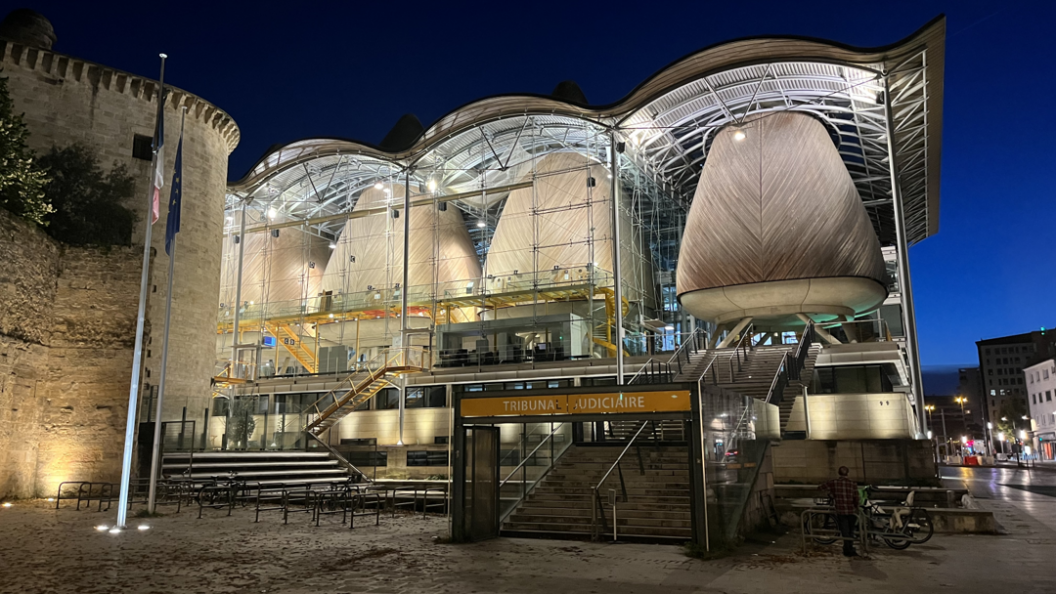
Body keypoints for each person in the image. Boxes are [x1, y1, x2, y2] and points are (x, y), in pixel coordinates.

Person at [820, 466, 860, 557]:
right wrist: (856, 507)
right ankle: (849, 548)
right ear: (847, 473)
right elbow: (856, 497)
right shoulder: (852, 483)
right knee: (851, 530)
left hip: (841, 510)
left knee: (845, 530)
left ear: (839, 473)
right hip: (851, 510)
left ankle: (847, 549)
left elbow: (820, 487)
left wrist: (831, 492)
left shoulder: (834, 482)